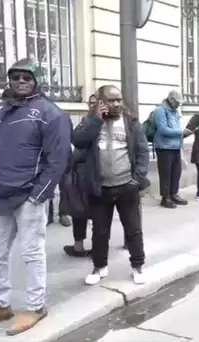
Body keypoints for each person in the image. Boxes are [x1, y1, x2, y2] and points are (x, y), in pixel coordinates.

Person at [0, 59, 71, 335]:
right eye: (16, 77)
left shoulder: (50, 113)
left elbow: (58, 159)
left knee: (31, 252)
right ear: (9, 80)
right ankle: (0, 303)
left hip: (28, 196)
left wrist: (40, 195)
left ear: (37, 80)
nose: (21, 81)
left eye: (27, 77)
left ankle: (36, 306)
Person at [71, 85, 150, 286]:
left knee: (133, 229)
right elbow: (78, 141)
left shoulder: (131, 123)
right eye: (110, 100)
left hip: (126, 186)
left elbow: (142, 152)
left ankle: (137, 266)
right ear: (100, 102)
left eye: (118, 100)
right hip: (100, 188)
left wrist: (137, 179)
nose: (116, 104)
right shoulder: (90, 122)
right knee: (100, 231)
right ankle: (99, 266)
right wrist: (95, 119)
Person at [62, 94, 98, 258]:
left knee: (98, 212)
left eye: (95, 103)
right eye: (89, 103)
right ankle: (78, 246)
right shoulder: (87, 120)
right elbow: (75, 138)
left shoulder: (102, 122)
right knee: (78, 211)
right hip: (79, 172)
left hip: (94, 173)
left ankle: (98, 246)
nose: (91, 106)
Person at [152, 90, 188, 208]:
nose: (178, 105)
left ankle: (174, 194)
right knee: (165, 173)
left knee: (176, 172)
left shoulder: (175, 112)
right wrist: (181, 132)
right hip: (164, 147)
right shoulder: (160, 111)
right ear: (171, 99)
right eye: (177, 102)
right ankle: (165, 197)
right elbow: (163, 129)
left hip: (175, 147)